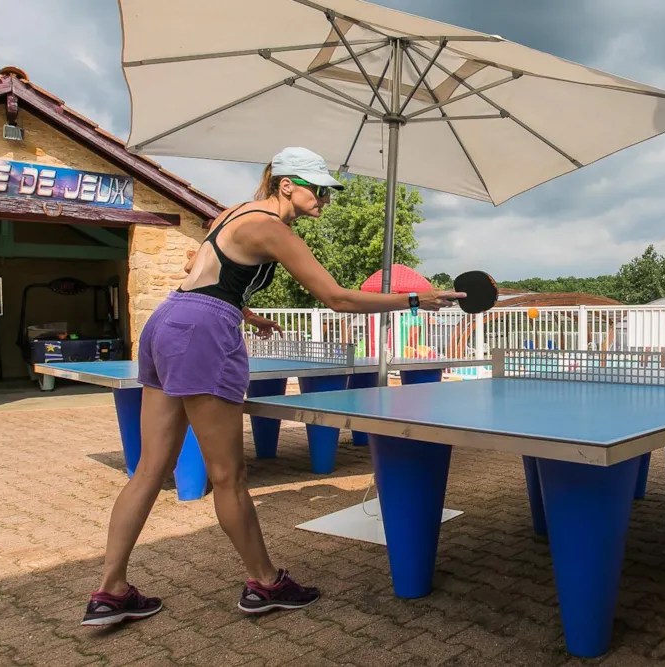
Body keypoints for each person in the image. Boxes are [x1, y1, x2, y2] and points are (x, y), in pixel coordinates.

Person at [81, 147, 465, 627]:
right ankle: (264, 583)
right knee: (228, 476)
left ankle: (110, 591)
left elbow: (199, 274)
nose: (324, 198)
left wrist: (248, 312)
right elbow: (338, 298)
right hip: (203, 332)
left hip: (168, 322)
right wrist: (414, 298)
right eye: (316, 188)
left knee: (148, 470)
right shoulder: (272, 228)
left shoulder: (232, 215)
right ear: (286, 184)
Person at [184, 248, 283, 338]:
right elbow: (189, 267)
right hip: (205, 321)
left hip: (187, 312)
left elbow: (225, 292)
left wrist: (250, 316)